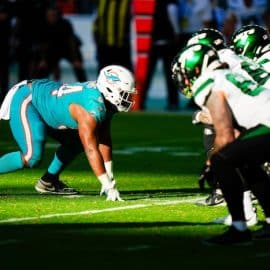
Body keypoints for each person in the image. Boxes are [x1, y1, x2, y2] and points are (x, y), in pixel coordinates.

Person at [172, 43, 270, 245]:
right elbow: (235, 132)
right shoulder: (227, 75)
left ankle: (239, 229)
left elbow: (225, 134)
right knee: (245, 161)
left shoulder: (209, 82)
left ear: (197, 68)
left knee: (222, 160)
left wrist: (211, 163)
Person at [0, 65, 136, 201]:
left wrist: (109, 176)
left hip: (47, 102)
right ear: (110, 89)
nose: (128, 98)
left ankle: (48, 182)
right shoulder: (92, 106)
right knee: (32, 157)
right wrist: (107, 186)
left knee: (75, 143)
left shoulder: (104, 102)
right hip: (28, 99)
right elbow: (91, 149)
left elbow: (104, 138)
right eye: (124, 93)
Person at [35, 5, 87, 81]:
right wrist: (42, 59)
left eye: (54, 15)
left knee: (78, 67)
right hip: (52, 50)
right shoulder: (43, 25)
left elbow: (72, 43)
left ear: (57, 15)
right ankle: (40, 87)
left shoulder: (65, 24)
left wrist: (76, 59)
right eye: (49, 15)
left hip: (67, 49)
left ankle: (84, 86)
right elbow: (42, 44)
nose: (52, 18)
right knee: (42, 68)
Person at [93, 0, 133, 71]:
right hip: (104, 48)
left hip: (122, 49)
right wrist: (97, 42)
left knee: (127, 77)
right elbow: (96, 23)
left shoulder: (127, 2)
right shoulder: (101, 2)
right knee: (104, 76)